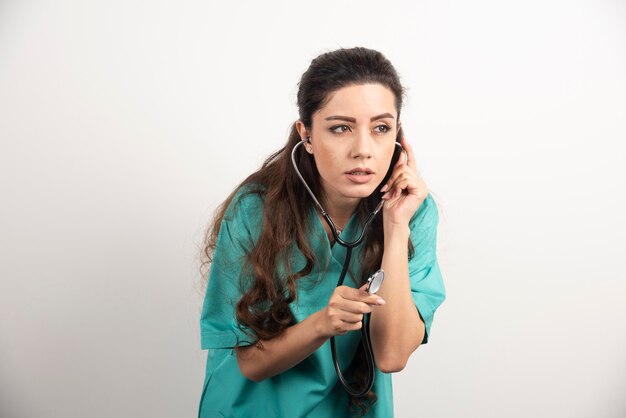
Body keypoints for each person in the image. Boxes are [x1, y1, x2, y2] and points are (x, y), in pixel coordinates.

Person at [198, 47, 446, 418]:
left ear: (399, 136)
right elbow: (250, 363)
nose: (363, 150)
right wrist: (323, 323)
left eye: (381, 128)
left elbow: (392, 355)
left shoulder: (413, 210)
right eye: (340, 128)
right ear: (307, 135)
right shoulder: (255, 209)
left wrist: (395, 227)